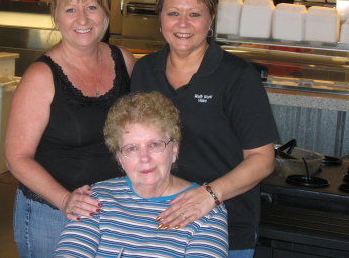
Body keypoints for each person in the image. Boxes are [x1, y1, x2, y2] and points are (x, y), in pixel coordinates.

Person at [131, 0, 279, 257]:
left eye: (195, 14)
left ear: (210, 19)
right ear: (160, 17)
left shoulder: (237, 77)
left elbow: (262, 160)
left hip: (224, 226)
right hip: (156, 222)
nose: (183, 24)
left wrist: (209, 195)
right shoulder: (145, 71)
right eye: (173, 13)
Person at [4, 0, 136, 258]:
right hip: (54, 215)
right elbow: (16, 157)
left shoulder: (124, 60)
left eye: (91, 7)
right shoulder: (41, 76)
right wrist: (65, 200)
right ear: (56, 17)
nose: (83, 19)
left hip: (115, 210)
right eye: (70, 10)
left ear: (105, 12)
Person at [54, 91, 228, 258]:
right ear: (119, 158)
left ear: (174, 149)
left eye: (154, 144)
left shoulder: (205, 208)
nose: (145, 158)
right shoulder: (96, 199)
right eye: (131, 148)